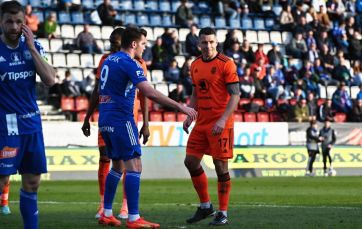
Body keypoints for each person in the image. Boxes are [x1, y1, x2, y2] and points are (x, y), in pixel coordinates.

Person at [95, 26, 197, 227]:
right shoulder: (129, 63)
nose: (144, 47)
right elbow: (148, 92)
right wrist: (180, 106)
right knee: (135, 165)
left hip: (105, 119)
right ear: (134, 44)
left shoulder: (109, 60)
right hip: (122, 119)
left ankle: (106, 212)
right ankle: (133, 217)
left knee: (117, 165)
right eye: (143, 43)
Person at [81, 27, 151, 220]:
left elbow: (144, 95)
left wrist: (145, 122)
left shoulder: (133, 62)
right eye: (111, 43)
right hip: (120, 118)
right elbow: (97, 89)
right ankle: (115, 209)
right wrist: (87, 116)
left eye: (116, 42)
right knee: (123, 161)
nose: (113, 46)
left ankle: (121, 208)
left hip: (120, 117)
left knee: (121, 164)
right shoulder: (112, 60)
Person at [0, 1, 56, 228]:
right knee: (2, 180)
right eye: (8, 21)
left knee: (32, 183)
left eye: (18, 21)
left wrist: (31, 47)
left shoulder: (34, 46)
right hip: (5, 125)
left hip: (32, 124)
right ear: (0, 22)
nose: (14, 26)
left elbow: (51, 80)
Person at [183, 27, 240, 226]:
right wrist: (190, 114)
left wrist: (223, 120)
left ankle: (223, 212)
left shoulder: (226, 64)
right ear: (199, 44)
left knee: (220, 166)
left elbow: (235, 95)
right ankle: (206, 206)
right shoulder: (195, 65)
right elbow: (195, 94)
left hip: (220, 123)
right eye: (204, 42)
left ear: (217, 43)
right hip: (201, 122)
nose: (208, 46)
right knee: (190, 161)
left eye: (211, 42)